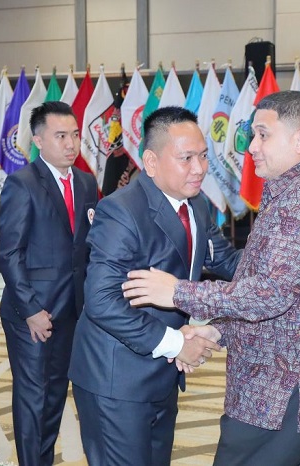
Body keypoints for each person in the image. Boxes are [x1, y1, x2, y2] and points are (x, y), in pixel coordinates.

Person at [123, 91, 300, 466]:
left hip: (283, 391)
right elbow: (291, 298)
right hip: (291, 386)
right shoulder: (299, 188)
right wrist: (220, 330)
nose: (251, 147)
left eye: (263, 135)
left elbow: (269, 294)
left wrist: (178, 292)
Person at [69, 106, 242, 466]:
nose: (200, 168)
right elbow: (101, 300)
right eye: (186, 158)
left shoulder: (197, 205)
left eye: (203, 156)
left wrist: (286, 264)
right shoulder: (121, 210)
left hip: (162, 373)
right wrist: (177, 343)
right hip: (116, 378)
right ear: (151, 161)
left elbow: (226, 261)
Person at [0, 101, 98, 466]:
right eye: (61, 136)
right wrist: (31, 310)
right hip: (32, 314)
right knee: (33, 397)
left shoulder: (86, 182)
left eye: (75, 135)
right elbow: (9, 253)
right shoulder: (22, 184)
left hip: (73, 310)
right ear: (38, 140)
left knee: (55, 395)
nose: (71, 144)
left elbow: (86, 247)